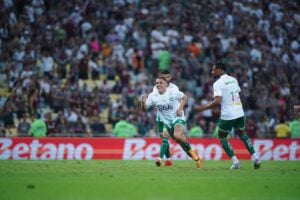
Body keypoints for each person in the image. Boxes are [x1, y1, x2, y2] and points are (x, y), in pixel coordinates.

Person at [195, 62, 261, 169]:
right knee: (242, 134)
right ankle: (255, 157)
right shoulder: (233, 79)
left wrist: (203, 108)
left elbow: (217, 101)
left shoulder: (218, 83)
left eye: (214, 70)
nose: (212, 72)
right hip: (239, 111)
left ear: (220, 70)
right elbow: (238, 93)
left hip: (228, 113)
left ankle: (235, 162)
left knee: (221, 137)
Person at [141, 77, 202, 168]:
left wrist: (180, 108)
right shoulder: (153, 96)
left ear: (166, 84)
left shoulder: (173, 91)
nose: (158, 84)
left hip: (178, 117)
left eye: (161, 83)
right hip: (167, 122)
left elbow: (184, 97)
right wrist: (142, 103)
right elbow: (144, 109)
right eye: (157, 83)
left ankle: (163, 159)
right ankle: (196, 158)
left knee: (177, 136)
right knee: (181, 142)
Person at [152, 71, 179, 166]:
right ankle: (169, 160)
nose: (164, 78)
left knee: (164, 137)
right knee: (163, 139)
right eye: (162, 76)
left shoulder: (174, 88)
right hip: (159, 117)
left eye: (166, 76)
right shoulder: (156, 87)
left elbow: (177, 101)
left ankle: (159, 159)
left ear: (170, 77)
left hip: (169, 117)